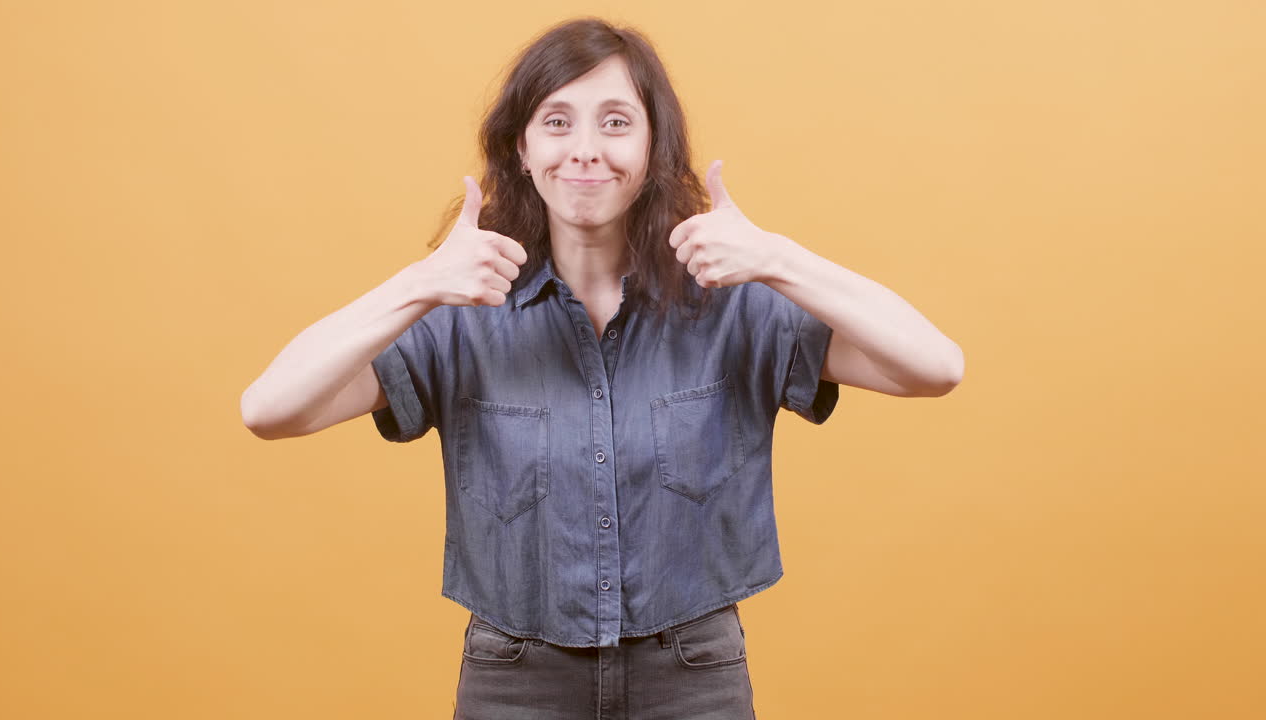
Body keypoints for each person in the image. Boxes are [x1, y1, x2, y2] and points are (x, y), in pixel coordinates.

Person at [241, 16, 963, 720]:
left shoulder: (729, 305)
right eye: (557, 122)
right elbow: (270, 411)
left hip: (694, 674)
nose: (585, 149)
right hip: (513, 680)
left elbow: (935, 366)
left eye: (616, 122)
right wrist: (417, 283)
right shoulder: (461, 312)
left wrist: (777, 258)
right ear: (521, 148)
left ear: (653, 148)